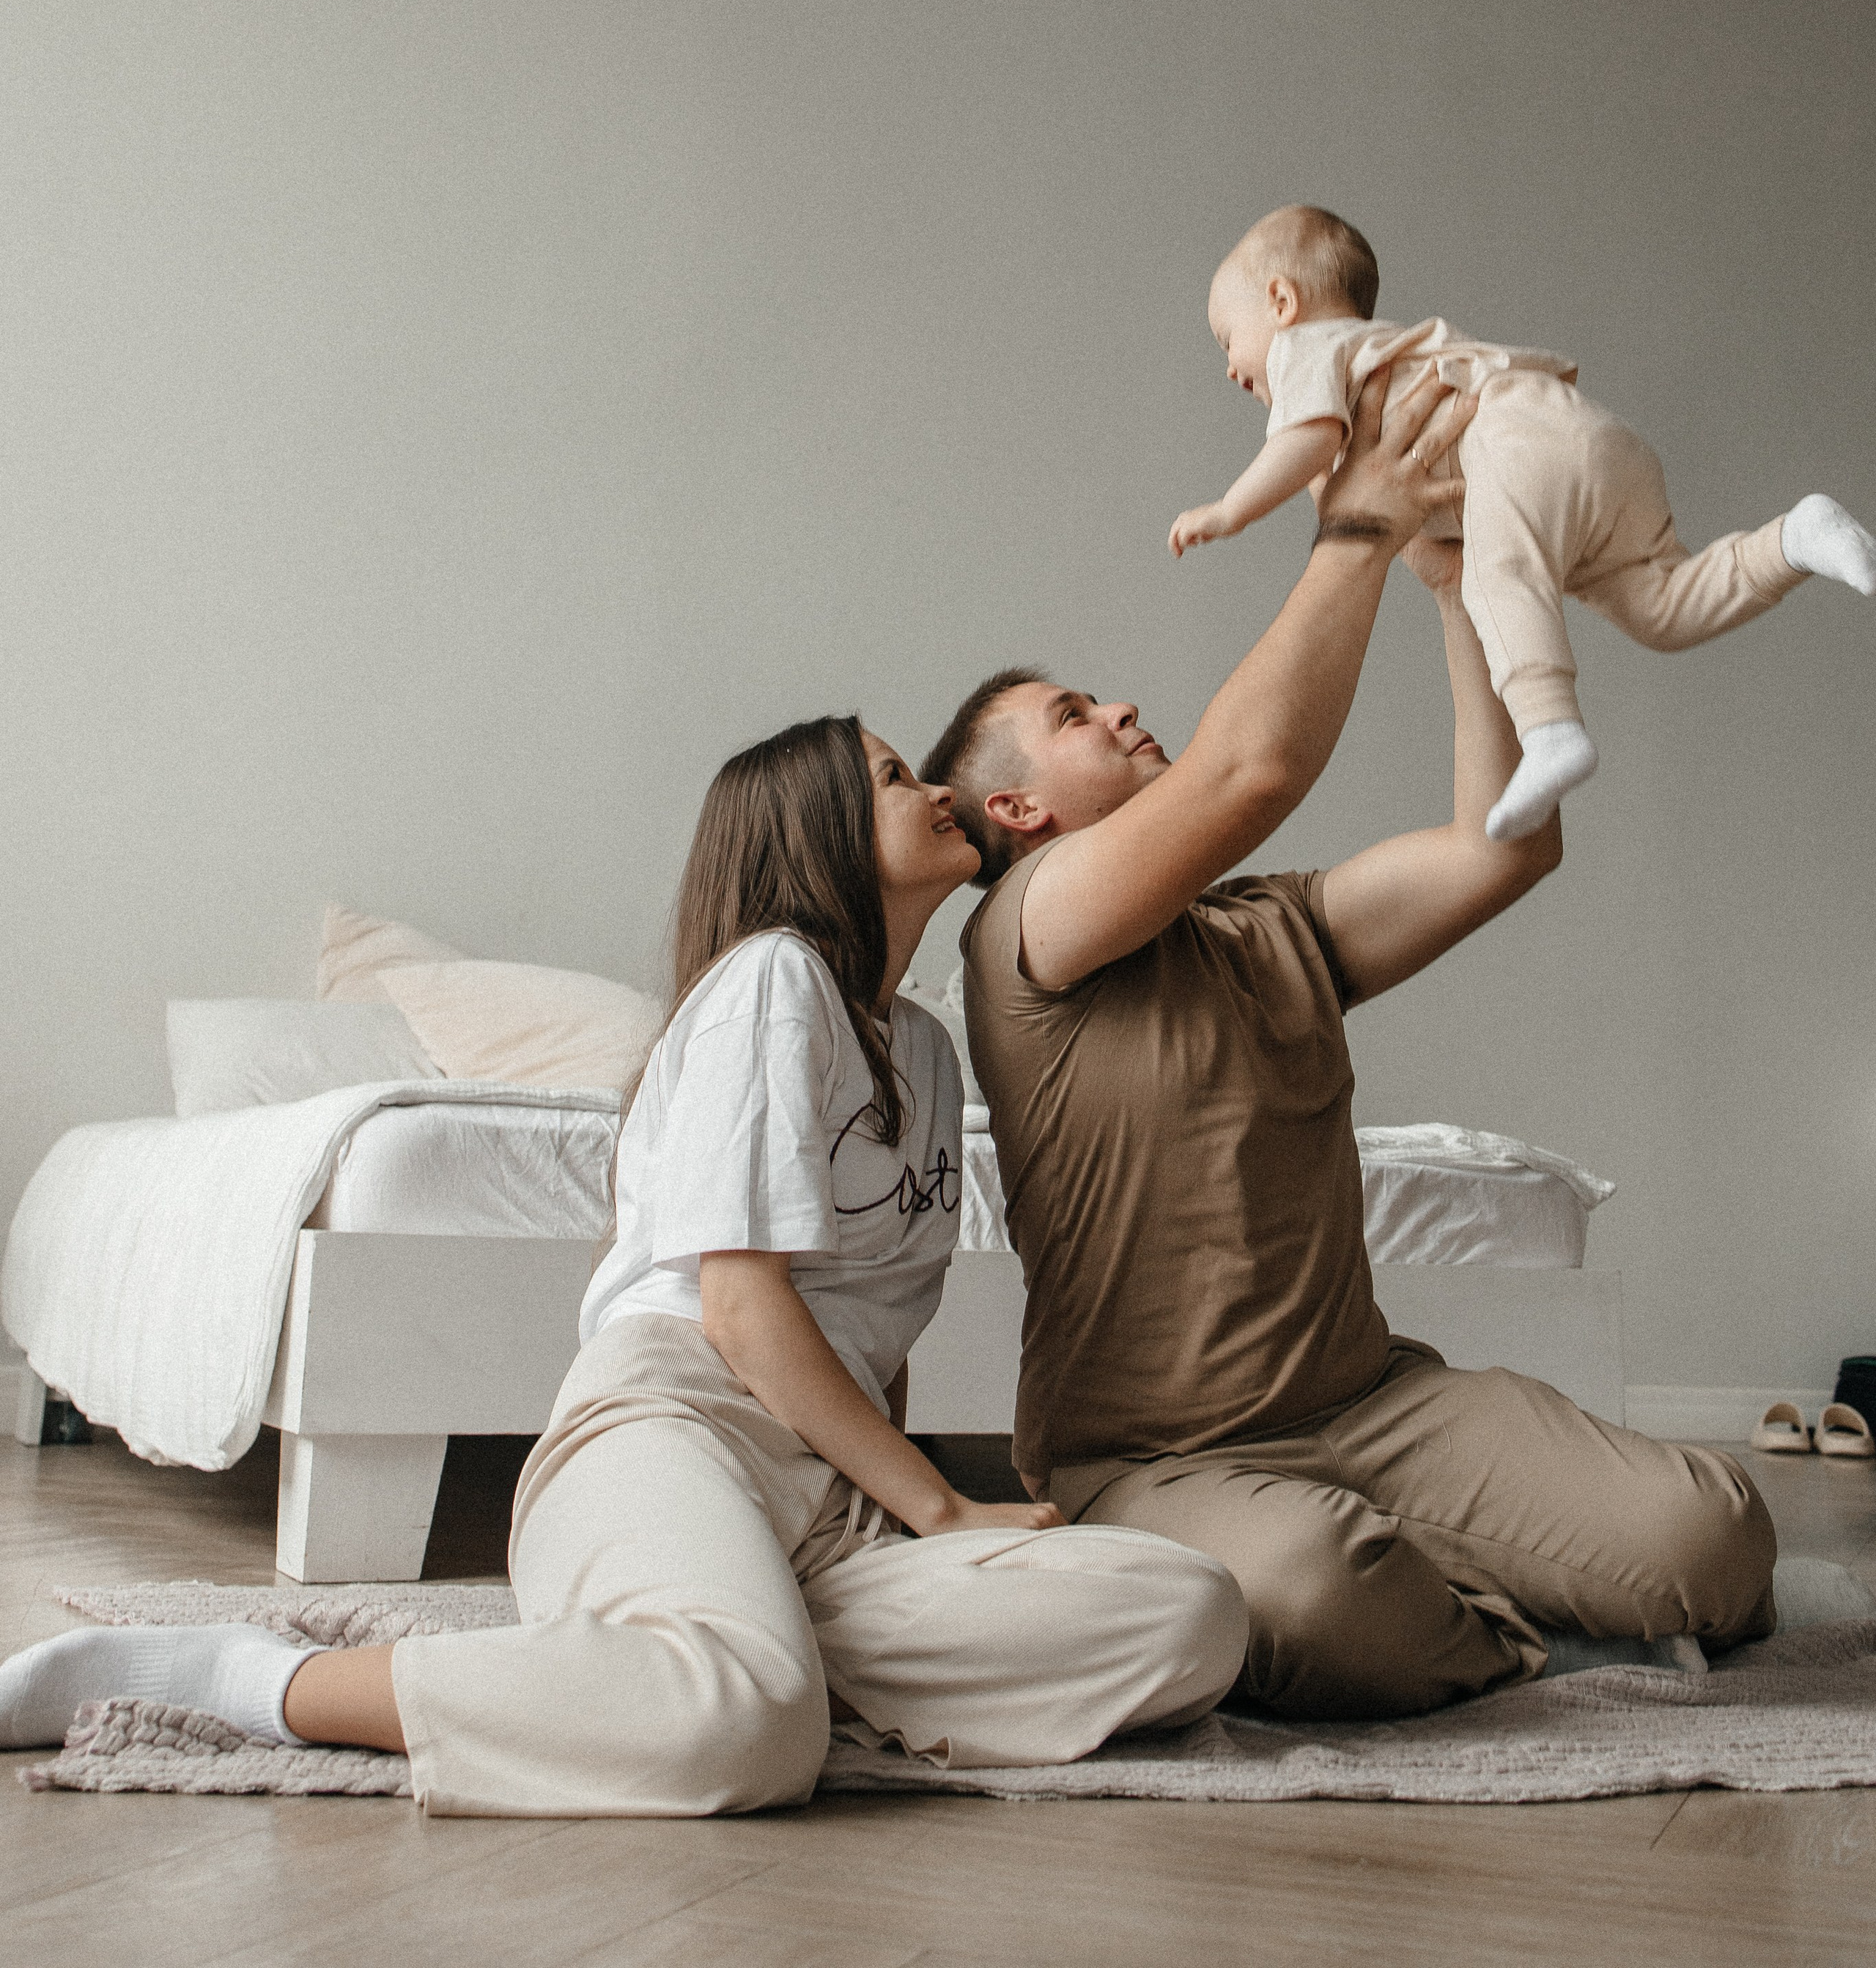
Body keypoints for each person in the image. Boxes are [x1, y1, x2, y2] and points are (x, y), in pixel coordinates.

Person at [0, 718, 1246, 1809]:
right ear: (812, 833)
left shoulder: (922, 1051)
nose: (933, 791)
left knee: (1188, 1614)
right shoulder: (774, 980)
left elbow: (874, 1328)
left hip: (826, 1496)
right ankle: (255, 1678)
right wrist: (935, 1509)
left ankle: (704, 1638)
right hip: (672, 1425)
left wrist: (893, 1514)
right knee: (738, 1727)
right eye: (890, 777)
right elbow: (745, 1312)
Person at [924, 365, 1778, 1721]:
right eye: (1075, 715)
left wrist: (1457, 583)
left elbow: (1510, 848)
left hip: (1374, 1408)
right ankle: (1498, 1623)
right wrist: (1359, 525)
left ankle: (1445, 1595)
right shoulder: (1028, 931)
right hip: (1155, 1461)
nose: (1122, 707)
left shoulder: (1275, 930)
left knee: (1717, 1541)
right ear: (1015, 808)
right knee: (1319, 1589)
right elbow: (1250, 772)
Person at [1168, 204, 1876, 839]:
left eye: (1227, 339)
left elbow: (1306, 442)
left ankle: (1551, 730)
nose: (1230, 369)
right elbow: (1362, 489)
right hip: (1592, 446)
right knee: (1661, 610)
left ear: (1282, 302)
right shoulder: (1373, 358)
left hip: (1516, 437)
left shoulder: (1310, 350)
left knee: (1496, 577)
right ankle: (1795, 539)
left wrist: (1231, 510)